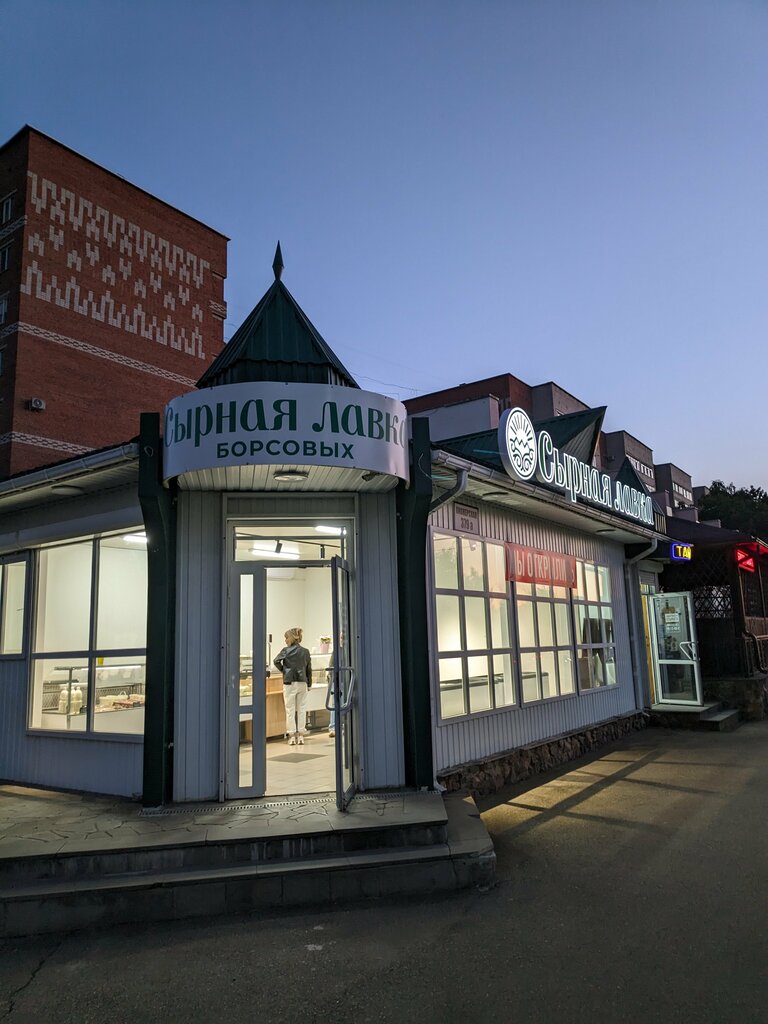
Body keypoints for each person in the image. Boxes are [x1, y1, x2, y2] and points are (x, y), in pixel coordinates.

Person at [273, 627, 312, 745]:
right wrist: (309, 684)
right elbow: (308, 669)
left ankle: (292, 736)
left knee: (290, 710)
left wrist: (284, 671)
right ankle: (301, 735)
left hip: (289, 683)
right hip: (302, 682)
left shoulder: (286, 651)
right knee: (302, 709)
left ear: (291, 638)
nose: (285, 640)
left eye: (286, 638)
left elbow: (276, 661)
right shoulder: (305, 651)